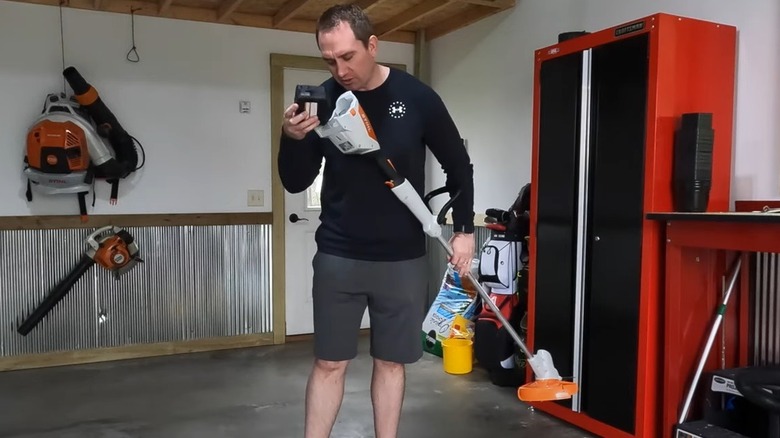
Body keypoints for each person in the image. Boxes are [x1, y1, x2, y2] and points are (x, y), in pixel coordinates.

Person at [277, 4, 475, 438]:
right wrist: (291, 138)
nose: (340, 69)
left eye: (348, 56)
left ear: (372, 45)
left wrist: (464, 232)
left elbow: (459, 166)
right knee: (329, 362)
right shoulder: (324, 101)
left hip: (402, 258)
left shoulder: (418, 98)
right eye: (329, 60)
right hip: (338, 254)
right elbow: (295, 182)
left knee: (391, 362)